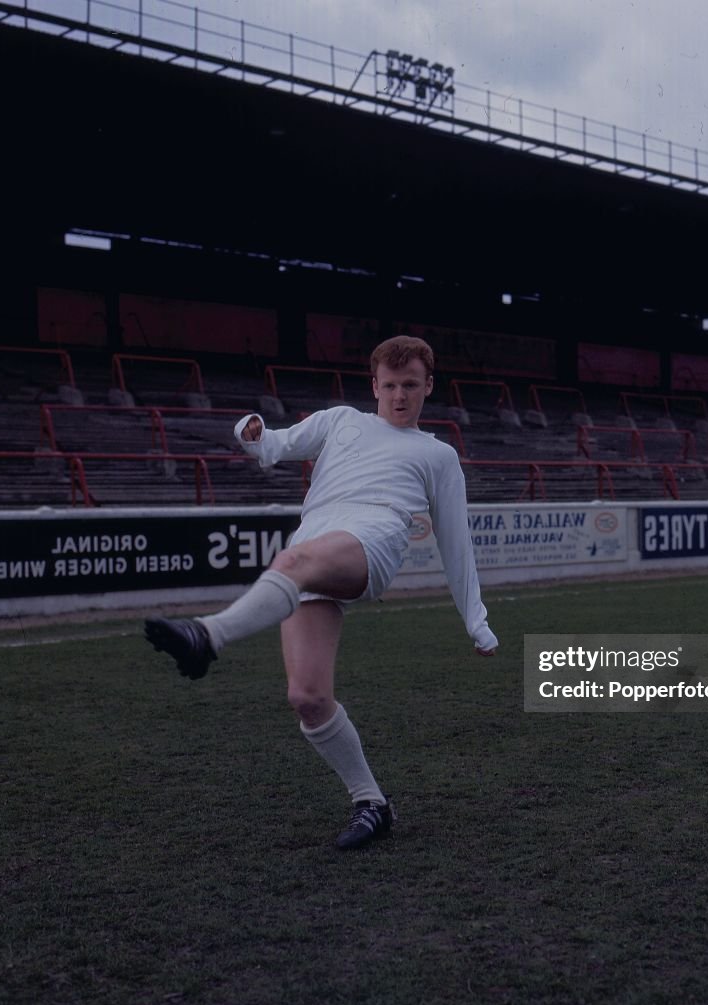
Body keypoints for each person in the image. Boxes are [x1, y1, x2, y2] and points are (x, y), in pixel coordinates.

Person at [145, 335, 497, 850]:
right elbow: (274, 447)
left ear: (429, 387)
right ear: (374, 385)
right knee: (307, 698)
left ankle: (207, 636)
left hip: (373, 538)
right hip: (313, 543)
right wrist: (250, 430)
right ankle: (372, 803)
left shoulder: (437, 454)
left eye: (412, 386)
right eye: (392, 385)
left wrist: (476, 619)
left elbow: (455, 538)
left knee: (290, 562)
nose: (400, 396)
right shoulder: (341, 420)